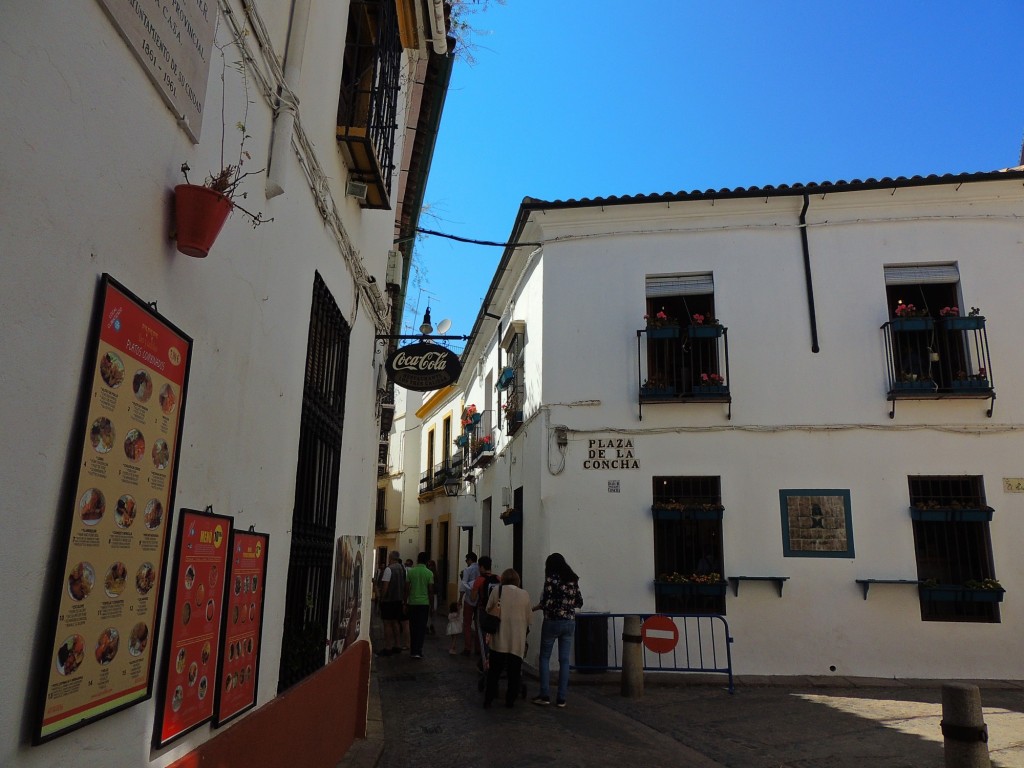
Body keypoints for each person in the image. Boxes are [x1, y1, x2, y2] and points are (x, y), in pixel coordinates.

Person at [532, 553, 584, 708]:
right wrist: (566, 605)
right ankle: (561, 698)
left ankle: (545, 695)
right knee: (565, 660)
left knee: (544, 658)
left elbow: (546, 602)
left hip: (552, 622)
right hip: (569, 622)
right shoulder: (573, 580)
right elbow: (579, 602)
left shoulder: (551, 579)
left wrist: (536, 607)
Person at [482, 568, 532, 709]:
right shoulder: (525, 594)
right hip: (517, 641)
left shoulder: (497, 591)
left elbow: (488, 610)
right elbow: (529, 619)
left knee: (494, 672)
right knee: (514, 673)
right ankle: (510, 700)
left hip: (499, 638)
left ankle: (489, 699)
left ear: (503, 579)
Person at [405, 551, 434, 659]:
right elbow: (431, 591)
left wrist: (405, 602)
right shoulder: (429, 573)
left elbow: (406, 588)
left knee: (413, 627)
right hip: (424, 604)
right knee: (421, 628)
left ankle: (413, 650)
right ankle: (418, 650)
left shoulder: (411, 572)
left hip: (412, 603)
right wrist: (431, 606)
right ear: (427, 561)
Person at [376, 551, 406, 656]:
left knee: (387, 624)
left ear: (390, 557)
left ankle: (388, 647)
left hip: (389, 600)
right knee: (396, 623)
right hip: (398, 600)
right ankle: (397, 645)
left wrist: (381, 597)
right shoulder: (403, 569)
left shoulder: (389, 569)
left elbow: (385, 586)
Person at [459, 552, 480, 655]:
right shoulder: (480, 569)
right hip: (479, 600)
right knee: (478, 624)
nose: (466, 562)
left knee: (467, 624)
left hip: (469, 599)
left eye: (466, 560)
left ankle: (468, 647)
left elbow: (463, 585)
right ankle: (478, 648)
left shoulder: (467, 570)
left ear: (470, 560)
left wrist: (460, 599)